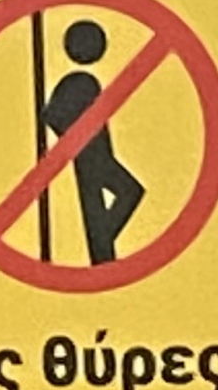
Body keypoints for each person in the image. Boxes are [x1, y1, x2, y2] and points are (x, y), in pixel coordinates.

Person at [42, 19, 144, 265]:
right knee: (110, 197)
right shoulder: (76, 82)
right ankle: (102, 251)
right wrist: (72, 142)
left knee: (122, 194)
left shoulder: (87, 82)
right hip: (88, 156)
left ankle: (103, 247)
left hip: (100, 154)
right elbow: (51, 115)